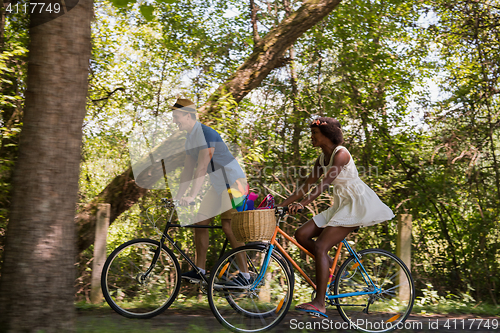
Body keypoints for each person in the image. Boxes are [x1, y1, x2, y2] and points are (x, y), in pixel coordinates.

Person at [278, 117, 394, 317]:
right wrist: (278, 206)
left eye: (314, 133)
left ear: (326, 135)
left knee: (321, 246)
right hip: (341, 204)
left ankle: (320, 303)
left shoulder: (341, 154)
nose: (311, 137)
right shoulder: (322, 159)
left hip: (356, 204)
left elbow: (324, 184)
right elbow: (303, 189)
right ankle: (334, 269)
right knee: (302, 234)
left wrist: (303, 205)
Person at [171, 98, 250, 283]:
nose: (174, 121)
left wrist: (192, 195)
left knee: (228, 226)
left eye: (177, 117)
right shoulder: (190, 139)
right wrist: (179, 196)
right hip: (219, 185)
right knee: (200, 221)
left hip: (235, 183)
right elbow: (188, 171)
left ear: (188, 115)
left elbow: (201, 167)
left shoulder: (205, 133)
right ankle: (200, 271)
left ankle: (246, 275)